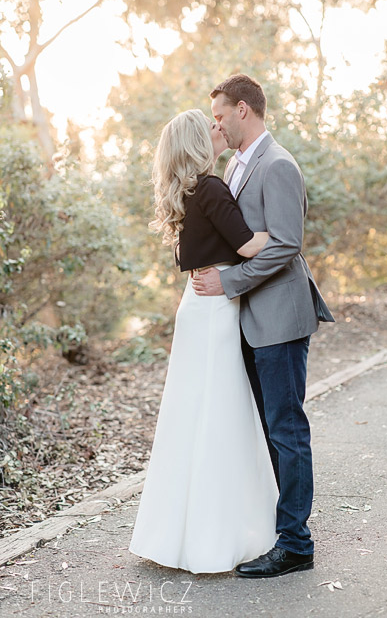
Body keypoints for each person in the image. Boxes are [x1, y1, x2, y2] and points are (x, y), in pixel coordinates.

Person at [192, 74, 334, 579]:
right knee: (269, 429)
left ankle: (297, 543)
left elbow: (286, 244)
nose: (217, 124)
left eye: (220, 115)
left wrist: (230, 282)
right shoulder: (234, 165)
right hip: (249, 320)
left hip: (278, 315)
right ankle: (281, 526)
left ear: (244, 110)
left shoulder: (278, 165)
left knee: (286, 428)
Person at [130, 109, 278, 573]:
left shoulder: (189, 192)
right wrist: (285, 230)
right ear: (198, 142)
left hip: (196, 307)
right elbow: (250, 246)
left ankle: (178, 533)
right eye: (209, 128)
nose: (219, 129)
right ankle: (216, 535)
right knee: (219, 414)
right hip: (214, 309)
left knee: (191, 416)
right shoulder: (212, 188)